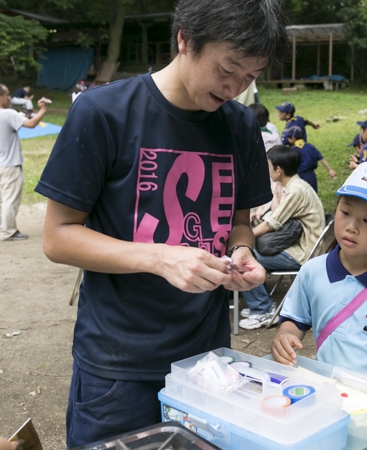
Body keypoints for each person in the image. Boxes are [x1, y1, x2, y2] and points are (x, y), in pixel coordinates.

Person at [33, 0, 289, 446]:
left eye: (250, 76)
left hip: (206, 362)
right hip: (118, 365)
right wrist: (160, 258)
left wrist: (241, 252)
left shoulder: (240, 124)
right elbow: (57, 238)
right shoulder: (103, 112)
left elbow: (239, 224)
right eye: (227, 69)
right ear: (184, 39)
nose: (234, 88)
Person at [271, 162, 367, 382]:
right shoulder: (312, 271)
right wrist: (285, 336)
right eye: (345, 212)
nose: (351, 226)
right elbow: (295, 321)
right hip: (330, 398)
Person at [239, 145, 325, 330]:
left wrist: (244, 238)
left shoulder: (296, 191)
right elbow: (278, 213)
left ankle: (262, 309)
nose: (267, 170)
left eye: (268, 166)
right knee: (246, 252)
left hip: (304, 252)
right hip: (300, 245)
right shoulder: (296, 185)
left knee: (243, 257)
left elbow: (273, 223)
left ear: (278, 170)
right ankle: (261, 304)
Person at [0, 84, 50, 241]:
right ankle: (7, 231)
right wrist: (43, 109)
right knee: (10, 199)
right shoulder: (7, 113)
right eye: (6, 95)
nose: (9, 98)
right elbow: (31, 124)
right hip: (9, 164)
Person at [286, 125, 336, 192]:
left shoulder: (292, 150)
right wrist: (330, 170)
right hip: (311, 176)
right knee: (313, 195)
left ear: (293, 138)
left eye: (288, 137)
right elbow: (322, 158)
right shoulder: (310, 146)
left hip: (299, 176)